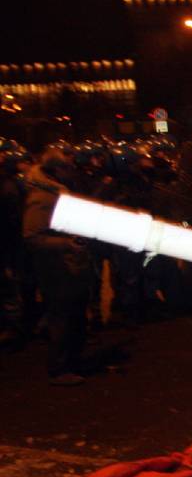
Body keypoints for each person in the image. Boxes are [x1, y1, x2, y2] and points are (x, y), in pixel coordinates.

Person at [22, 147, 93, 385]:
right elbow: (32, 235)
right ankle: (60, 367)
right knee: (63, 317)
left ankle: (71, 362)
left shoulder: (56, 193)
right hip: (56, 268)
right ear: (55, 170)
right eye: (66, 167)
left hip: (68, 265)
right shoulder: (43, 197)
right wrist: (67, 244)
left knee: (73, 315)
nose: (71, 171)